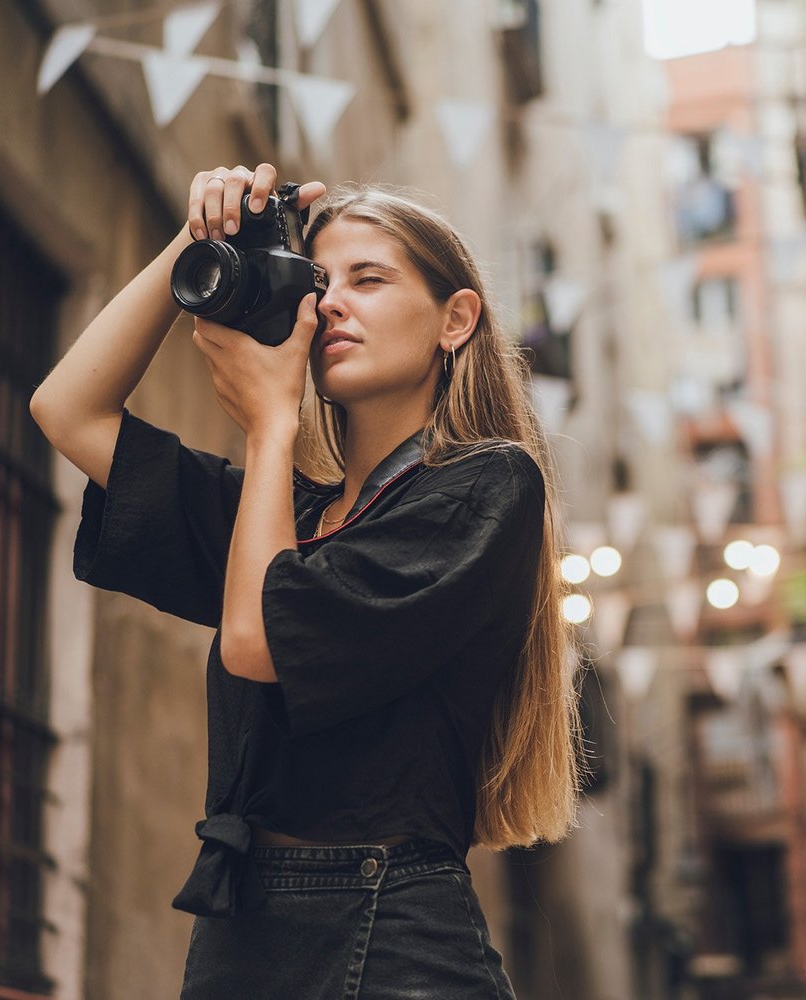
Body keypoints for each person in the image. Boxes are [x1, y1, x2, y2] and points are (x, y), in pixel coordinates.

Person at [30, 162, 582, 999]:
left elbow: (256, 643)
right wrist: (198, 238)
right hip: (239, 923)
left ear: (455, 319)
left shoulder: (487, 486)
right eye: (320, 282)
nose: (331, 304)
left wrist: (269, 428)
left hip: (394, 930)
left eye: (369, 279)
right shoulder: (283, 514)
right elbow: (67, 409)